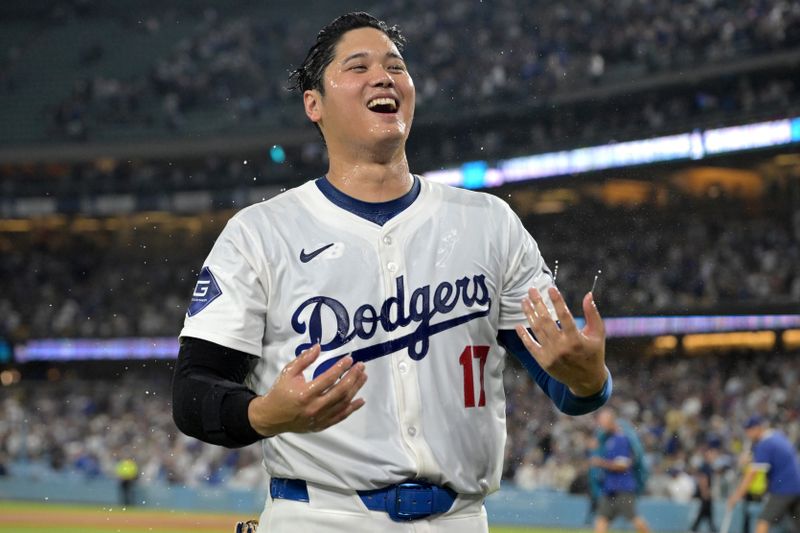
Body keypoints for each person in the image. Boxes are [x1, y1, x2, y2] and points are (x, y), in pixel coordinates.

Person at [171, 12, 611, 533]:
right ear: (314, 103)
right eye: (357, 67)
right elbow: (193, 392)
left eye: (396, 67)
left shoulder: (489, 223)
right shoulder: (260, 233)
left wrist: (589, 378)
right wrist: (263, 415)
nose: (383, 77)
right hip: (320, 518)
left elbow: (566, 387)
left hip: (461, 520)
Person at [727, 416, 800, 533]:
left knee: (763, 521)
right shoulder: (777, 436)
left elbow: (752, 473)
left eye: (749, 430)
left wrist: (736, 496)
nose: (748, 434)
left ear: (758, 428)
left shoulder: (765, 443)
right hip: (797, 486)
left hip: (784, 489)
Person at [591, 407, 650, 533]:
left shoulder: (621, 439)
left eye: (602, 420)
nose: (600, 424)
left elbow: (624, 464)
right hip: (609, 488)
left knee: (635, 519)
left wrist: (600, 462)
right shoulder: (608, 439)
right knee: (601, 520)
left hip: (623, 487)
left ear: (611, 420)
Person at [690, 443, 719, 533]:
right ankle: (693, 529)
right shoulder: (706, 465)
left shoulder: (709, 465)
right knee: (704, 512)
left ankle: (695, 529)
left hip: (706, 493)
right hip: (705, 494)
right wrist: (705, 492)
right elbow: (703, 479)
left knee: (706, 514)